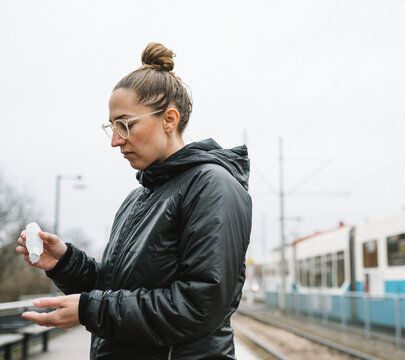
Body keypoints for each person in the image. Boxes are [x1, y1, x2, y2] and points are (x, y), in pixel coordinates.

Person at [15, 42, 252, 360]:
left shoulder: (212, 186)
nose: (115, 140)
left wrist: (91, 310)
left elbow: (200, 306)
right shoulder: (137, 200)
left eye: (125, 124)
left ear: (169, 119)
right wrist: (66, 263)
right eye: (111, 126)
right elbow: (115, 291)